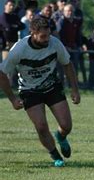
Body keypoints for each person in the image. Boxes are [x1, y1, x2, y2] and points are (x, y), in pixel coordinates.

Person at [0, 17, 80, 167]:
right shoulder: (19, 49)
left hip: (52, 86)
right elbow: (2, 73)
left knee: (66, 125)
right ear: (33, 33)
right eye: (43, 36)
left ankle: (61, 137)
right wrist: (12, 98)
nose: (47, 39)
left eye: (48, 35)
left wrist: (75, 89)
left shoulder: (55, 43)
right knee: (41, 127)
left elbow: (68, 65)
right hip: (29, 91)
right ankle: (56, 156)